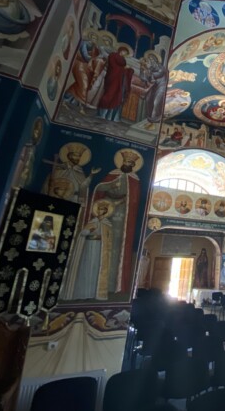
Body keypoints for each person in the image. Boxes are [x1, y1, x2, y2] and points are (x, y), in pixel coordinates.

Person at [91, 149, 142, 294]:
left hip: (123, 217)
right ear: (122, 162)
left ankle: (115, 285)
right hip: (106, 210)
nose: (128, 165)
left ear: (133, 165)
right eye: (126, 162)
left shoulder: (134, 180)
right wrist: (111, 187)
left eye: (130, 163)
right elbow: (99, 188)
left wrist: (124, 200)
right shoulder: (112, 175)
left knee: (119, 247)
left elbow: (134, 200)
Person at [63, 201, 113, 300]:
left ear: (105, 211)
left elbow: (109, 240)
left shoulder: (107, 225)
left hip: (100, 249)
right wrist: (89, 230)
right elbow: (83, 233)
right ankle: (83, 293)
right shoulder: (92, 222)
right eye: (99, 209)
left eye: (103, 209)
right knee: (86, 267)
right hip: (89, 246)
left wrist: (107, 248)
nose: (100, 211)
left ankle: (93, 294)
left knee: (96, 269)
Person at [98, 46, 134, 122]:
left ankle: (109, 116)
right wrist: (124, 68)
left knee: (116, 96)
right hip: (112, 78)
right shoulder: (113, 55)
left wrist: (128, 70)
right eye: (124, 51)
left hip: (118, 80)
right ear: (120, 50)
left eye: (126, 53)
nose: (124, 54)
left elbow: (121, 67)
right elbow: (113, 66)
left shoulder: (122, 60)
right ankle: (101, 114)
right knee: (108, 95)